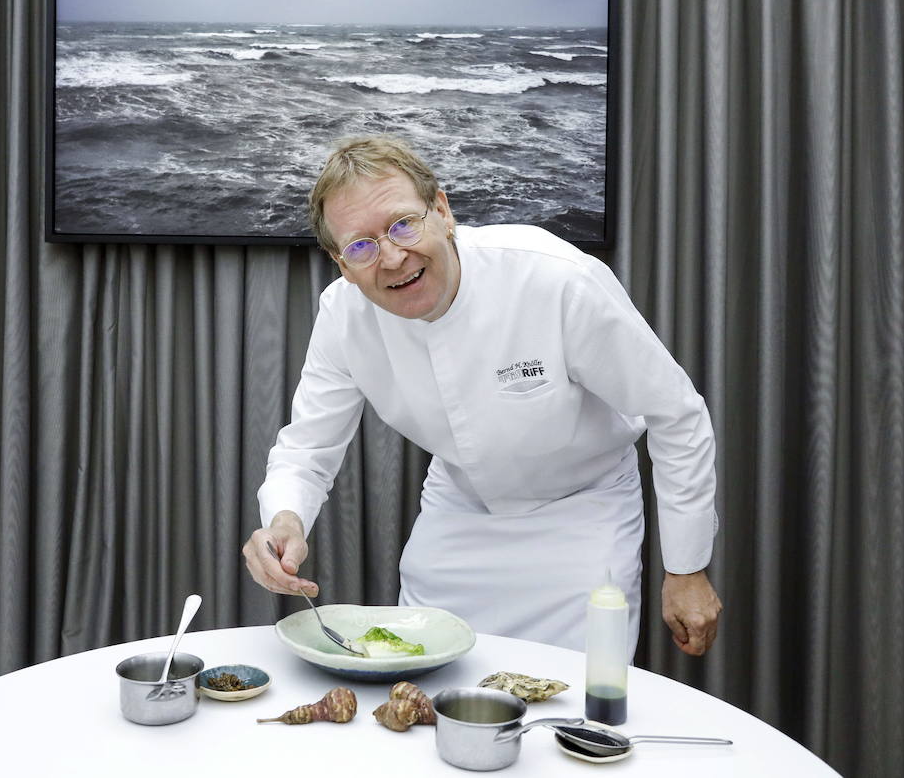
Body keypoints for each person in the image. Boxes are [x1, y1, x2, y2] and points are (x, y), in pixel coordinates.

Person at [241, 136, 721, 657]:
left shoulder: (555, 279)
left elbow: (676, 413)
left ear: (442, 211)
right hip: (459, 512)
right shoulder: (343, 315)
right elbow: (307, 448)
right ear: (341, 261)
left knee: (570, 705)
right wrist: (284, 521)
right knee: (420, 680)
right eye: (362, 245)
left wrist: (687, 568)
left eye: (404, 224)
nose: (394, 256)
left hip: (583, 512)